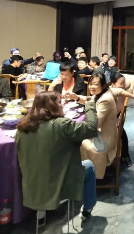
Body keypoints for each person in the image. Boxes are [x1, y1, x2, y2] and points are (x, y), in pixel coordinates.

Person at [15, 91, 98, 223]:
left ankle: (41, 211)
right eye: (59, 102)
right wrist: (89, 104)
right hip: (60, 182)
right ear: (52, 105)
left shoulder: (22, 127)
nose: (61, 105)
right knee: (88, 165)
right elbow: (91, 128)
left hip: (33, 185)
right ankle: (88, 208)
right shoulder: (62, 124)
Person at [110, 72, 134, 167]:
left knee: (121, 133)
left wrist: (130, 87)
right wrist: (133, 93)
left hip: (116, 118)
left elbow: (133, 81)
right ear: (113, 84)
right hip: (109, 118)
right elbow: (121, 91)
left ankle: (124, 155)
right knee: (121, 133)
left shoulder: (121, 87)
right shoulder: (111, 91)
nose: (123, 85)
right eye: (121, 83)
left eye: (124, 83)